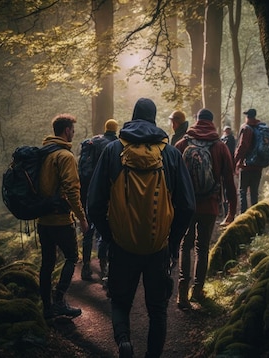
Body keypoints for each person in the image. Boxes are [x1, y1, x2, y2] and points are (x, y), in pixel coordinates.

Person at [88, 98, 195, 358]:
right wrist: (171, 242)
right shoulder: (170, 154)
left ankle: (124, 340)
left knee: (120, 301)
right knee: (157, 310)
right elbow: (188, 207)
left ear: (133, 116)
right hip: (157, 248)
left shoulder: (113, 151)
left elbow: (94, 204)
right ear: (154, 118)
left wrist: (111, 236)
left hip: (122, 246)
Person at [174, 108, 237, 309]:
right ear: (212, 123)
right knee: (202, 248)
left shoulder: (182, 144)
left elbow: (172, 180)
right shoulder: (220, 146)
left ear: (196, 120)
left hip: (186, 206)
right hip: (209, 205)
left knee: (186, 245)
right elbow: (229, 181)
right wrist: (231, 210)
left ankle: (182, 294)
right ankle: (198, 291)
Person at [38, 113, 89, 319]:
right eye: (72, 130)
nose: (73, 133)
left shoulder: (44, 154)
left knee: (47, 263)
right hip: (60, 220)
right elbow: (72, 191)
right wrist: (82, 218)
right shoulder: (65, 156)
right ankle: (59, 300)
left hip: (42, 220)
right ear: (66, 130)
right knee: (71, 257)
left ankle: (47, 308)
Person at [80, 118, 119, 283]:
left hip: (87, 190)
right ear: (115, 129)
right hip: (104, 192)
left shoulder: (92, 142)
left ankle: (86, 265)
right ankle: (104, 267)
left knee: (88, 230)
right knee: (105, 231)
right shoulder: (116, 145)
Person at [234, 108, 265, 213]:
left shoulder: (246, 128)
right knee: (254, 193)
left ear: (247, 116)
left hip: (246, 166)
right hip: (258, 165)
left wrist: (236, 161)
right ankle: (255, 216)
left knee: (242, 191)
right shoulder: (260, 127)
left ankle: (243, 216)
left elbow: (243, 146)